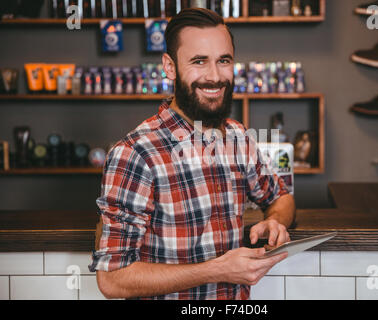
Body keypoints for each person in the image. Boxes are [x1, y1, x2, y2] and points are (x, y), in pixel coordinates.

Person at [88, 8, 296, 300]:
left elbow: (280, 196)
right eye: (199, 61)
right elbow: (112, 279)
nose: (215, 76)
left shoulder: (238, 137)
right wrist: (217, 270)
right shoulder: (136, 154)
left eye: (223, 60)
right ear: (170, 67)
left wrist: (276, 222)